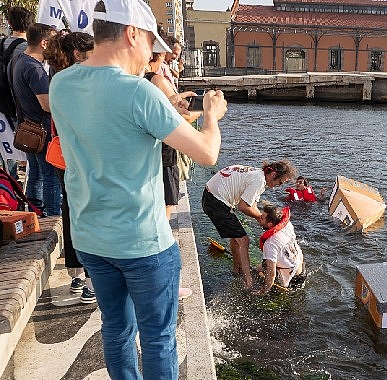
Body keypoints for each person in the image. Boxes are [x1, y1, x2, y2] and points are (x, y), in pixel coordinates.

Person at [49, 0, 227, 378]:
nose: (152, 55)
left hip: (90, 237)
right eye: (150, 43)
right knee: (159, 339)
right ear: (131, 34)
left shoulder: (61, 84)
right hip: (142, 242)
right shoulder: (138, 93)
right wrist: (211, 115)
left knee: (115, 330)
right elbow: (208, 152)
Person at [43, 31, 96, 302]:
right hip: (77, 156)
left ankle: (77, 277)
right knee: (85, 214)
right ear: (78, 54)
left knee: (71, 212)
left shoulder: (57, 78)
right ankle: (89, 281)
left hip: (63, 156)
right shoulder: (76, 81)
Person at [144, 50, 200, 300]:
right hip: (164, 159)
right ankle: (166, 284)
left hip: (146, 163)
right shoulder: (153, 80)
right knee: (162, 224)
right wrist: (207, 113)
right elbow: (206, 151)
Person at [202, 161, 297, 288]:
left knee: (235, 235)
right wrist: (259, 217)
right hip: (216, 202)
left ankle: (237, 269)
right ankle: (248, 281)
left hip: (210, 196)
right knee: (244, 240)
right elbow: (243, 206)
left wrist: (262, 219)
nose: (275, 187)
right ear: (273, 174)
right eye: (279, 182)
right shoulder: (259, 181)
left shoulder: (258, 174)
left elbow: (252, 205)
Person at [8, 23, 60, 216]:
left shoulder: (17, 60)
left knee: (36, 175)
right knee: (50, 177)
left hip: (27, 128)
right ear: (44, 43)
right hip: (42, 131)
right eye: (53, 42)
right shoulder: (35, 69)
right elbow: (47, 105)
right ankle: (53, 218)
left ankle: (36, 213)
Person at [1, 7, 33, 180]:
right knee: (23, 149)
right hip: (18, 105)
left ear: (10, 23)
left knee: (5, 151)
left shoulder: (1, 43)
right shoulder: (28, 49)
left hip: (1, 103)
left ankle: (7, 188)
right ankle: (17, 190)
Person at [252, 203, 304, 295]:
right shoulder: (287, 224)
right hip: (301, 268)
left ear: (270, 224)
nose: (259, 217)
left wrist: (263, 291)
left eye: (262, 218)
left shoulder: (270, 243)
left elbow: (271, 273)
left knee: (260, 271)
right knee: (260, 267)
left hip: (292, 281)